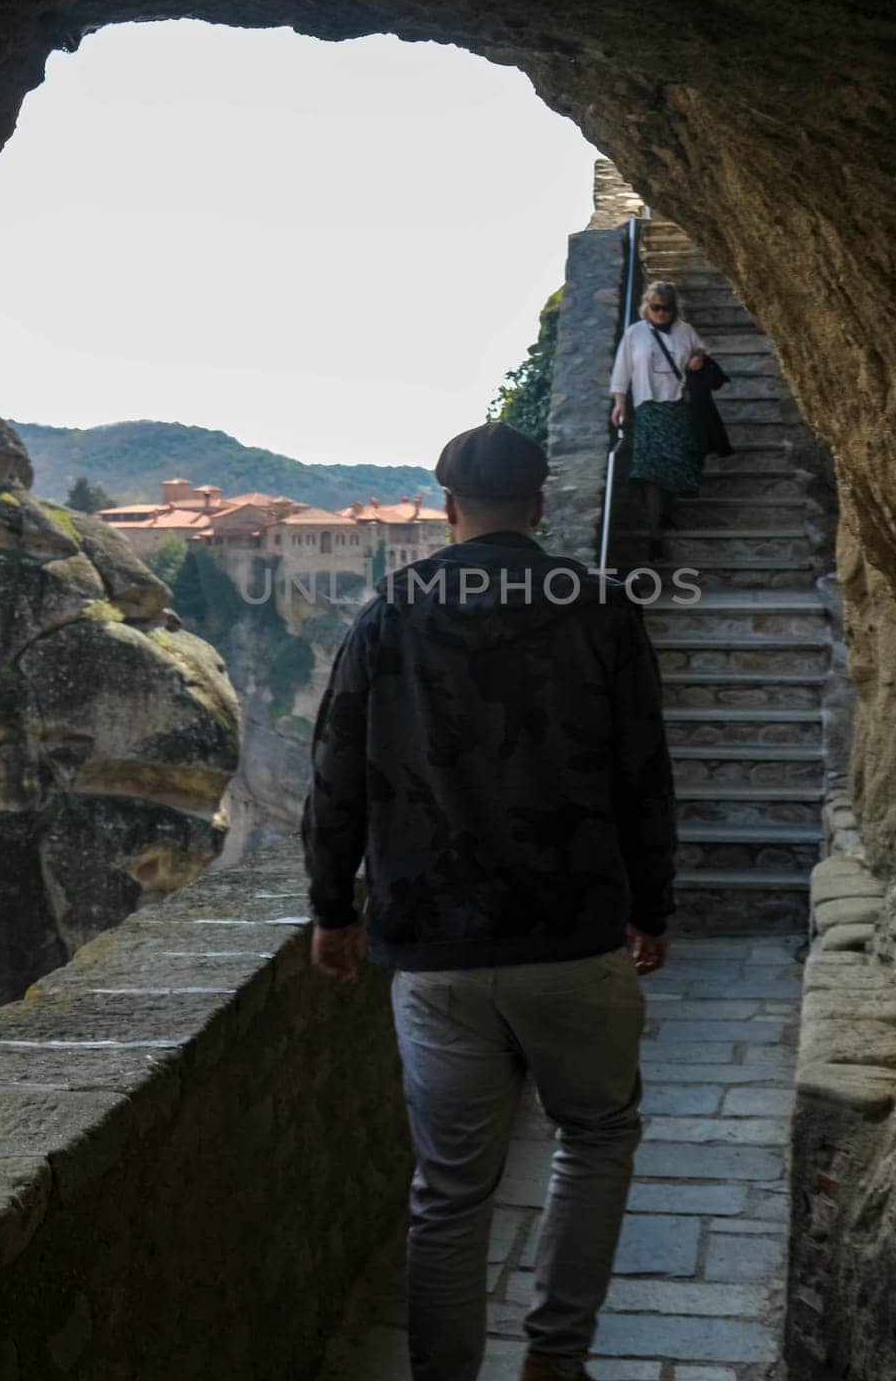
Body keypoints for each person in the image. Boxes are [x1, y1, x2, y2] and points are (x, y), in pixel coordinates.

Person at [302, 421, 678, 1381]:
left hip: (434, 944)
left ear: (447, 506)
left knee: (449, 1190)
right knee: (594, 1139)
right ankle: (555, 1358)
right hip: (573, 932)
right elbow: (644, 773)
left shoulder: (391, 612)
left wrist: (332, 912)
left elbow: (337, 772)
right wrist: (653, 904)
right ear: (540, 504)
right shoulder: (598, 607)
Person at [609, 280, 707, 560]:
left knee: (677, 464)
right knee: (649, 472)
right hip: (648, 408)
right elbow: (622, 368)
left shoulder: (685, 331)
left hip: (678, 406)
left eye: (666, 308)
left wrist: (697, 359)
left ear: (674, 308)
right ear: (646, 308)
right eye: (656, 308)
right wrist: (619, 403)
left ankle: (666, 513)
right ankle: (655, 534)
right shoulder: (635, 333)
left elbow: (701, 351)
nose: (661, 313)